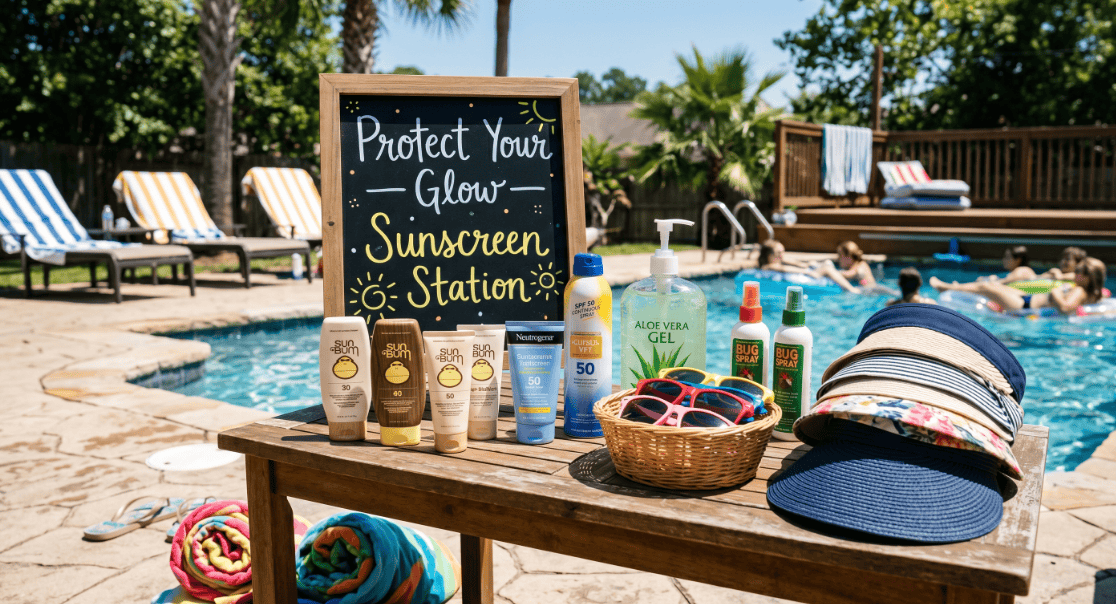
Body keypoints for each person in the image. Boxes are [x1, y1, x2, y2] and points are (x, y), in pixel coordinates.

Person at [931, 257, 1107, 314]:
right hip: (1026, 300)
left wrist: (1055, 290)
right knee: (994, 287)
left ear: (1089, 278)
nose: (1075, 274)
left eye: (1080, 273)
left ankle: (948, 288)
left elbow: (1065, 307)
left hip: (1025, 305)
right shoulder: (1087, 289)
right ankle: (954, 287)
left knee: (986, 287)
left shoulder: (1079, 290)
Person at [756, 239, 862, 293]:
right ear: (770, 256)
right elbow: (783, 268)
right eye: (779, 253)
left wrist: (806, 264)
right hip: (802, 277)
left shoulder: (777, 260)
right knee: (827, 268)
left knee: (826, 263)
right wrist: (805, 271)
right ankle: (851, 289)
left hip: (802, 274)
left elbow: (791, 261)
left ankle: (846, 281)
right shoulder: (769, 266)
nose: (782, 256)